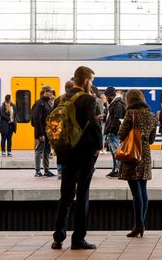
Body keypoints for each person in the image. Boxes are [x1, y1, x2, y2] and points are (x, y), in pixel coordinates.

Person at [52, 66, 103, 251]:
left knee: (65, 195)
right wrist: (99, 146)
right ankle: (78, 239)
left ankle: (58, 238)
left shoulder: (61, 98)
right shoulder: (88, 99)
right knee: (82, 195)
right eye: (92, 80)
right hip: (84, 152)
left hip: (65, 151)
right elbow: (94, 123)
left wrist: (57, 146)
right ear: (86, 81)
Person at [118, 89, 157, 238]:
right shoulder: (151, 115)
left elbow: (121, 134)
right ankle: (141, 223)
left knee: (136, 192)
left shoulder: (131, 113)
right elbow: (152, 139)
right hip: (145, 154)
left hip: (132, 154)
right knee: (143, 189)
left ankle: (138, 225)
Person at [31, 86, 55, 178]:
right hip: (41, 131)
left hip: (47, 131)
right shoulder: (39, 103)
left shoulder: (47, 103)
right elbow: (36, 120)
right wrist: (40, 134)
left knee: (47, 151)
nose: (51, 94)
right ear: (45, 92)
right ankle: (37, 171)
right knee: (39, 151)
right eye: (50, 92)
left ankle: (46, 170)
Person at [104, 87, 125, 178]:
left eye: (106, 96)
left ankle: (118, 170)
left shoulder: (117, 104)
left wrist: (111, 129)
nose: (106, 98)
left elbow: (117, 119)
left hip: (114, 132)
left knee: (117, 151)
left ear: (109, 96)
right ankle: (115, 169)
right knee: (114, 152)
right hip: (112, 131)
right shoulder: (115, 103)